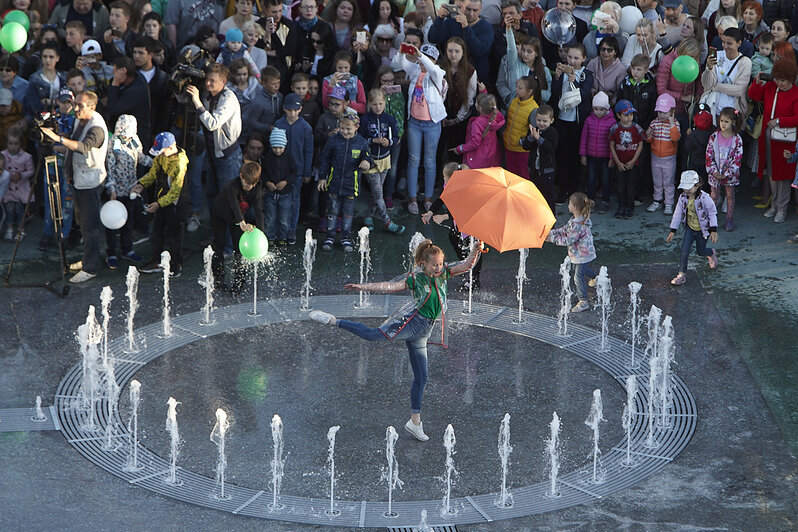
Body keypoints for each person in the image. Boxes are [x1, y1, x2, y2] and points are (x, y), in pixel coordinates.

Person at [309, 238, 484, 442]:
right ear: (423, 264)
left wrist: (475, 250)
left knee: (422, 378)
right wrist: (364, 287)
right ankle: (333, 321)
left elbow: (467, 265)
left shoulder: (444, 273)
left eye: (440, 263)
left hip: (424, 332)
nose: (438, 268)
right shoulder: (416, 279)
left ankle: (414, 423)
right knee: (371, 335)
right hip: (410, 324)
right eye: (434, 264)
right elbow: (390, 286)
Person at [39, 91, 109, 283]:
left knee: (90, 227)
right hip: (78, 179)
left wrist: (57, 138)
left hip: (91, 183)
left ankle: (91, 267)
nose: (75, 109)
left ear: (92, 107)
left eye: (80, 106)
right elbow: (73, 146)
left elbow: (82, 147)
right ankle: (87, 259)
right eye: (75, 104)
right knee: (82, 223)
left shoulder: (97, 128)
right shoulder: (81, 119)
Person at [396, 43, 446, 215]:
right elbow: (400, 63)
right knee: (413, 160)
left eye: (429, 58)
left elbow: (432, 67)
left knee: (429, 161)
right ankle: (412, 199)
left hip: (432, 123)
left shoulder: (438, 73)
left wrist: (420, 55)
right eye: (422, 57)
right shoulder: (416, 70)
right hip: (414, 123)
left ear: (435, 60)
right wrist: (402, 53)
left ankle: (428, 199)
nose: (424, 61)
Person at [131, 132, 189, 276]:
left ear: (170, 147)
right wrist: (141, 185)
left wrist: (158, 204)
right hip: (161, 200)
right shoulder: (161, 157)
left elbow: (175, 192)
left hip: (175, 204)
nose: (160, 155)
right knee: (157, 232)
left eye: (162, 151)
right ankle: (157, 261)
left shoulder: (180, 164)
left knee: (174, 235)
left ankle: (176, 265)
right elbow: (153, 173)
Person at [748, 58, 798, 224]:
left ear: (791, 79)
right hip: (769, 139)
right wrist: (756, 83)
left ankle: (781, 207)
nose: (779, 83)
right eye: (777, 79)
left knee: (783, 177)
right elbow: (753, 95)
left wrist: (778, 121)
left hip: (785, 141)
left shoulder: (796, 93)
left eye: (783, 80)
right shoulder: (770, 88)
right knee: (771, 173)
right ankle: (775, 205)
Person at [186, 63, 242, 211]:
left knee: (228, 200)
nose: (208, 83)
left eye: (213, 81)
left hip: (228, 156)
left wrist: (197, 102)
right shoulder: (207, 95)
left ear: (223, 82)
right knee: (212, 196)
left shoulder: (228, 98)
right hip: (212, 155)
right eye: (207, 80)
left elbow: (213, 124)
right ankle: (217, 232)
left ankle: (231, 234)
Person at [421, 162, 485, 290]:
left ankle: (474, 280)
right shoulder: (450, 185)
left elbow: (462, 209)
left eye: (445, 177)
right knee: (454, 238)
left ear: (453, 179)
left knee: (474, 250)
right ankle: (467, 267)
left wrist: (444, 217)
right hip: (459, 224)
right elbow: (442, 199)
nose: (443, 179)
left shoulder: (467, 189)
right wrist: (430, 212)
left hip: (471, 225)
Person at [316, 112, 374, 252]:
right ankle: (330, 237)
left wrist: (366, 162)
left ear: (356, 127)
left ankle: (345, 238)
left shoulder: (361, 142)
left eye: (348, 129)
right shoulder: (333, 140)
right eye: (342, 128)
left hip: (351, 186)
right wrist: (322, 177)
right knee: (332, 211)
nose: (345, 131)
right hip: (334, 184)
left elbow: (369, 157)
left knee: (348, 214)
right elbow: (325, 159)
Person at [103, 114, 151, 269]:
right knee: (112, 223)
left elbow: (141, 157)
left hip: (131, 189)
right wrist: (111, 189)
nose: (125, 137)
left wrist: (156, 163)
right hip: (116, 191)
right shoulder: (113, 143)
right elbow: (109, 168)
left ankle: (127, 250)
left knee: (128, 221)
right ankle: (111, 253)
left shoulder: (135, 140)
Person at [211, 160, 264, 293]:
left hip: (238, 218)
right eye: (247, 184)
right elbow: (234, 205)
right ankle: (218, 279)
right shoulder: (231, 186)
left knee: (239, 250)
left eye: (252, 185)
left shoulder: (256, 190)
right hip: (221, 213)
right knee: (219, 245)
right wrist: (242, 223)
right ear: (241, 176)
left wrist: (261, 234)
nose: (248, 187)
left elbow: (259, 212)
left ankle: (239, 281)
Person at [359, 88, 406, 235]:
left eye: (380, 104)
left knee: (375, 192)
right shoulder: (365, 119)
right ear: (369, 105)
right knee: (378, 193)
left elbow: (397, 138)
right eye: (374, 104)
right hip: (371, 161)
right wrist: (373, 140)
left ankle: (368, 216)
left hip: (385, 159)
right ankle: (387, 222)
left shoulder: (389, 119)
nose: (378, 107)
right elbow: (359, 139)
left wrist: (389, 142)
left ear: (384, 103)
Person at [551, 42, 593, 204]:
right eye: (569, 57)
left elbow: (583, 95)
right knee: (562, 155)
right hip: (562, 119)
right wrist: (556, 77)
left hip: (578, 122)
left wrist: (574, 81)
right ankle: (563, 189)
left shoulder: (586, 74)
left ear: (583, 59)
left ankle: (575, 189)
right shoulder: (561, 71)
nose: (572, 61)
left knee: (577, 156)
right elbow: (554, 95)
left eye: (576, 58)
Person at [273, 93, 314, 244]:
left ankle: (291, 231)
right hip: (280, 172)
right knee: (278, 201)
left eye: (295, 110)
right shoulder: (278, 124)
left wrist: (307, 172)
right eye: (289, 110)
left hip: (297, 172)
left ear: (300, 109)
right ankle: (278, 231)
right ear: (284, 108)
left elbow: (309, 151)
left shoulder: (305, 127)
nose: (292, 113)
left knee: (295, 202)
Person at [666, 170, 719, 286]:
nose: (687, 190)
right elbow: (677, 213)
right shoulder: (682, 197)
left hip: (702, 231)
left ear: (697, 185)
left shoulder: (705, 198)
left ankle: (710, 252)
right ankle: (681, 274)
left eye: (689, 187)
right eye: (685, 188)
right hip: (690, 229)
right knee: (684, 251)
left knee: (700, 252)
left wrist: (713, 230)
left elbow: (712, 213)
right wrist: (672, 230)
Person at [546, 192, 596, 313]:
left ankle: (583, 301)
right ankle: (596, 278)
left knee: (577, 276)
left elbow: (569, 240)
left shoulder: (578, 224)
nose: (568, 206)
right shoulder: (576, 220)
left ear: (574, 207)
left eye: (569, 203)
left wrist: (552, 239)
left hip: (582, 255)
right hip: (581, 254)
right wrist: (553, 232)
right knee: (581, 270)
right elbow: (565, 229)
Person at [428, 0, 494, 82]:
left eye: (475, 10)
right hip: (449, 75)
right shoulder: (452, 22)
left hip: (475, 77)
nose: (471, 13)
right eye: (468, 9)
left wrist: (466, 28)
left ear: (480, 9)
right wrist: (440, 18)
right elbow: (433, 38)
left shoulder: (486, 27)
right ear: (462, 7)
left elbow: (479, 51)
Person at [701, 27, 751, 123]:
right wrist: (709, 69)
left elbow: (739, 90)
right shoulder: (717, 55)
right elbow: (707, 85)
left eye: (729, 43)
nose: (725, 46)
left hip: (732, 113)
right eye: (723, 42)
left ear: (739, 43)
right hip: (712, 109)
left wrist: (716, 86)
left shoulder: (745, 62)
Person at [706, 107, 744, 232]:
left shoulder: (737, 139)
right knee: (714, 197)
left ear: (733, 122)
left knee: (730, 197)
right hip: (715, 174)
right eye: (721, 121)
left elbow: (737, 159)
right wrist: (714, 171)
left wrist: (727, 173)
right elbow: (709, 155)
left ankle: (729, 219)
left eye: (726, 121)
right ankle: (711, 219)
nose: (723, 124)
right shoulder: (714, 137)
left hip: (730, 176)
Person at [579, 91, 616, 213]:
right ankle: (590, 200)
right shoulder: (589, 120)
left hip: (605, 156)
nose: (598, 112)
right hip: (591, 155)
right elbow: (584, 138)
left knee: (606, 178)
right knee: (591, 178)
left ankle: (605, 201)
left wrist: (612, 158)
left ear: (607, 108)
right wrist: (583, 154)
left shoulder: (611, 122)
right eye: (596, 109)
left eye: (601, 109)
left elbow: (613, 141)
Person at [609, 100, 645, 219]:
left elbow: (640, 144)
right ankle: (621, 207)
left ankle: (630, 207)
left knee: (631, 186)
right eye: (626, 115)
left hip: (632, 163)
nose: (629, 117)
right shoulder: (615, 128)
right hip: (620, 163)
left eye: (631, 114)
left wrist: (634, 160)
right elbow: (612, 145)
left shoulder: (636, 128)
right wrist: (617, 161)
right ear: (618, 115)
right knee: (620, 186)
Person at [452, 92, 505, 168]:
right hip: (492, 157)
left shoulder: (477, 123)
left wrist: (460, 148)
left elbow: (475, 143)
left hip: (478, 159)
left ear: (480, 108)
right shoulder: (495, 117)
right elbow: (490, 104)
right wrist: (484, 92)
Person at [521, 104, 558, 211]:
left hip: (547, 171)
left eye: (544, 121)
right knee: (535, 195)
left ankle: (551, 219)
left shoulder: (553, 132)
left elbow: (550, 148)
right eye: (539, 120)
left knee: (548, 196)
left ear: (551, 120)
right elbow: (526, 146)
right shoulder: (534, 130)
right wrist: (531, 138)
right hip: (534, 170)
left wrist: (539, 139)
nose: (541, 123)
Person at [262, 128, 293, 245]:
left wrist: (285, 182)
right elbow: (263, 173)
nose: (278, 150)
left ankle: (282, 237)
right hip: (271, 193)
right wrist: (267, 183)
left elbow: (294, 173)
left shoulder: (289, 158)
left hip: (285, 194)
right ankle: (269, 237)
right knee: (270, 218)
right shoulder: (268, 158)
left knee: (284, 218)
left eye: (280, 147)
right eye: (275, 147)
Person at [502, 75, 538, 179]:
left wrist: (522, 142)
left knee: (522, 175)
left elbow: (534, 131)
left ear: (529, 91)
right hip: (508, 145)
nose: (516, 90)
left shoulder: (533, 108)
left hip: (521, 150)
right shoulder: (514, 101)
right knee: (510, 174)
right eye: (517, 86)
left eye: (520, 88)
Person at [1, 128, 33, 241]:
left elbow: (31, 171)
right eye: (10, 143)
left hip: (20, 189)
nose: (13, 146)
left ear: (20, 144)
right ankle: (9, 229)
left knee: (20, 211)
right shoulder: (3, 155)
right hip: (8, 189)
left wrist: (21, 175)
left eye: (16, 144)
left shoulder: (27, 156)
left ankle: (20, 230)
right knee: (9, 210)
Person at [586, 36, 625, 105]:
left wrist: (610, 102)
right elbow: (586, 84)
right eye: (603, 49)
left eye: (609, 50)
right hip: (591, 102)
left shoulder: (621, 69)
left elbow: (620, 92)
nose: (605, 52)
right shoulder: (592, 63)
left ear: (615, 52)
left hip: (611, 106)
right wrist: (595, 94)